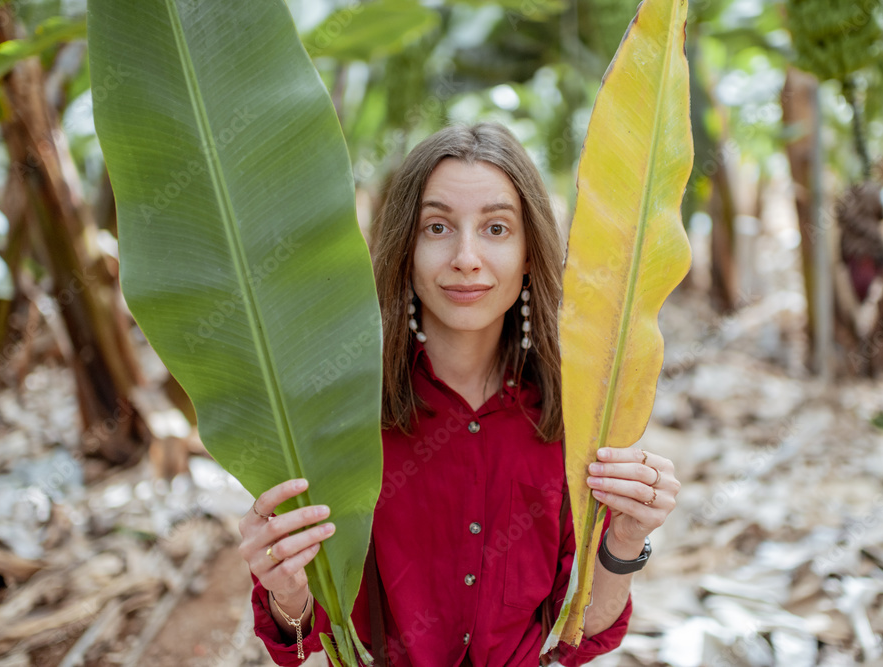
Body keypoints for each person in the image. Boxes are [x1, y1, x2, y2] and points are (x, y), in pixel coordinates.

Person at [238, 123, 680, 666]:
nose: (466, 257)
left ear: (527, 256)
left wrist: (628, 538)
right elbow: (303, 637)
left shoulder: (576, 418)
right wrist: (285, 587)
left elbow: (579, 635)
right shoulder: (339, 419)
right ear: (405, 248)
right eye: (438, 227)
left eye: (496, 228)